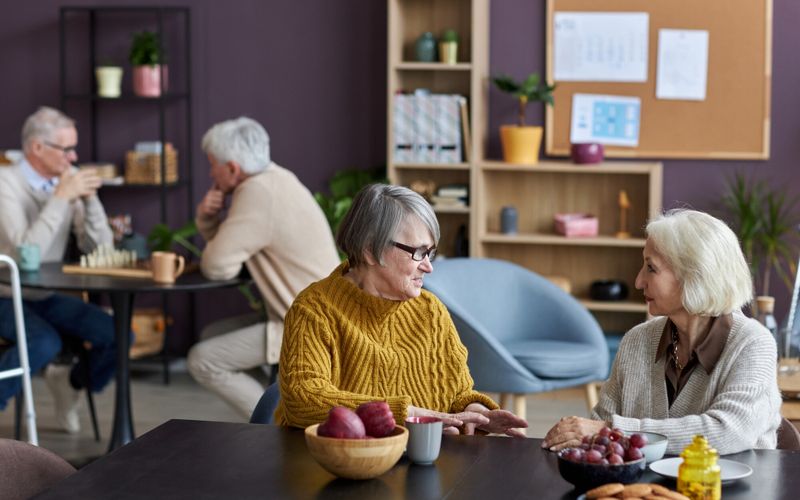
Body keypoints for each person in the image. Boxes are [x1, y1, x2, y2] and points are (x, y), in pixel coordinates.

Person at [275, 183, 528, 436]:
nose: (429, 267)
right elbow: (303, 400)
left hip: (419, 461)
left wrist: (473, 412)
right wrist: (407, 414)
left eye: (431, 252)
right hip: (332, 464)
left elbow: (457, 393)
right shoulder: (314, 310)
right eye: (418, 252)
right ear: (371, 251)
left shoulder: (431, 311)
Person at [543, 209, 781, 455]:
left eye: (651, 268)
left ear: (695, 275)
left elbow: (729, 431)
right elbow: (598, 432)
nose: (638, 281)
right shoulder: (637, 340)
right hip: (647, 491)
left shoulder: (753, 344)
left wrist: (615, 430)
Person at [187, 117, 339, 419]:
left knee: (202, 360)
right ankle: (283, 404)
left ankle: (277, 421)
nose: (210, 172)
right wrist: (208, 220)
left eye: (212, 164)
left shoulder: (258, 193)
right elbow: (227, 258)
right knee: (211, 334)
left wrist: (205, 221)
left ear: (232, 168)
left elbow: (218, 267)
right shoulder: (277, 178)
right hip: (316, 315)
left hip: (306, 326)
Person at [0, 106, 117, 434]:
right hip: (4, 294)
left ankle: (72, 384)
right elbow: (27, 255)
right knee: (44, 344)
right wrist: (61, 198)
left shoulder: (63, 184)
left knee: (117, 334)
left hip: (44, 295)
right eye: (66, 148)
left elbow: (102, 251)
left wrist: (91, 201)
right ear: (37, 148)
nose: (74, 156)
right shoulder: (5, 182)